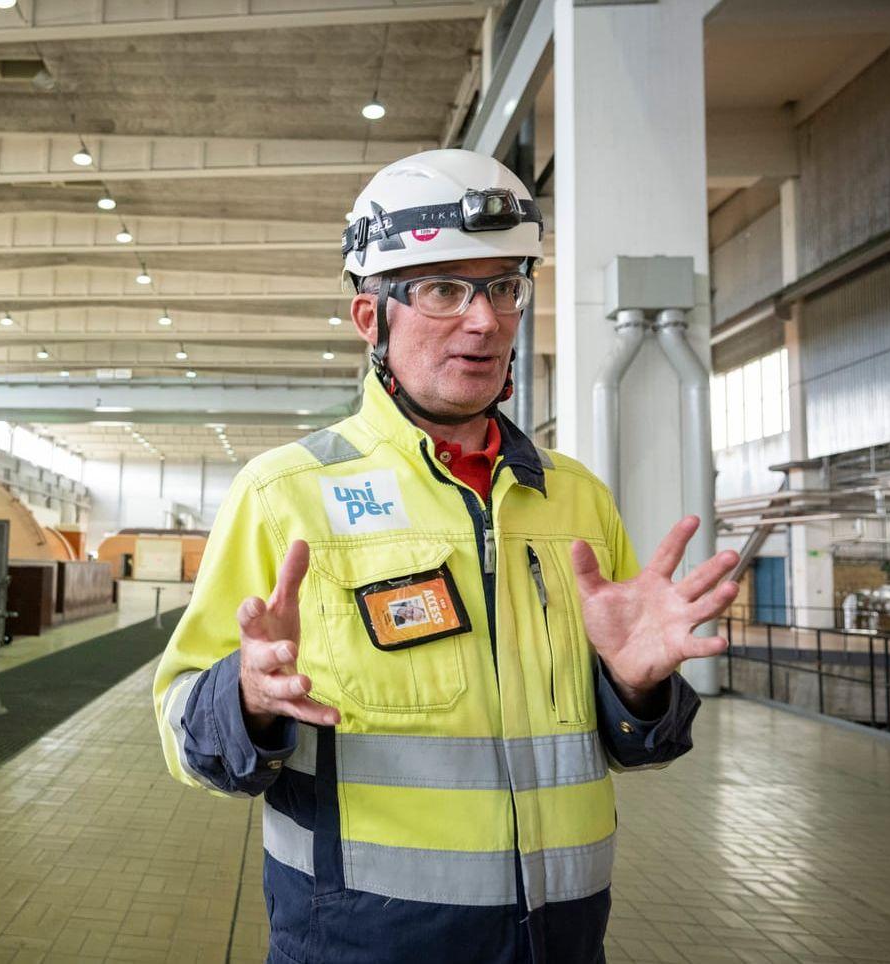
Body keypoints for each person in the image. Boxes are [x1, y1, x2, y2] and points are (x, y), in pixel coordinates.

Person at [152, 149, 738, 963]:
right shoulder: (284, 493)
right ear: (371, 318)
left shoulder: (574, 500)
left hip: (564, 938)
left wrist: (637, 690)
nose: (484, 320)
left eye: (504, 286)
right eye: (441, 289)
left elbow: (631, 744)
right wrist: (246, 699)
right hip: (361, 938)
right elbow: (184, 728)